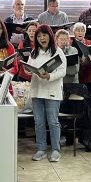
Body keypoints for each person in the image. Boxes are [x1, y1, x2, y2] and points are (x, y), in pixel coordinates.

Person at [28, 24, 66, 162]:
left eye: (44, 35)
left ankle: (56, 150)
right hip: (37, 90)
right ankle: (41, 149)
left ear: (50, 36)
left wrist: (49, 76)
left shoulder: (58, 52)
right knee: (38, 122)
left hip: (52, 91)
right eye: (38, 36)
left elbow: (62, 71)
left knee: (53, 121)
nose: (41, 38)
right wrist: (27, 70)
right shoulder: (34, 52)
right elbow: (29, 68)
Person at [71, 22, 91, 97]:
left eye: (82, 30)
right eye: (78, 30)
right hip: (75, 75)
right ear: (74, 32)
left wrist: (88, 60)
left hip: (88, 75)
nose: (80, 32)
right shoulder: (70, 43)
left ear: (85, 32)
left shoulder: (90, 42)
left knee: (87, 98)